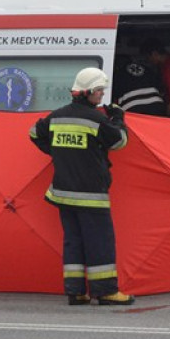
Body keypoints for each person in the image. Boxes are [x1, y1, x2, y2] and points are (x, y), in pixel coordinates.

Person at [29, 67, 135, 306]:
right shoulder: (96, 119)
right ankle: (106, 291)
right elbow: (120, 141)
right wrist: (118, 117)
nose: (101, 96)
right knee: (100, 242)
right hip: (90, 195)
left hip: (63, 194)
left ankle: (76, 291)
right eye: (99, 91)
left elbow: (34, 133)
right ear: (88, 92)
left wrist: (57, 152)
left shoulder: (57, 116)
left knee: (73, 241)